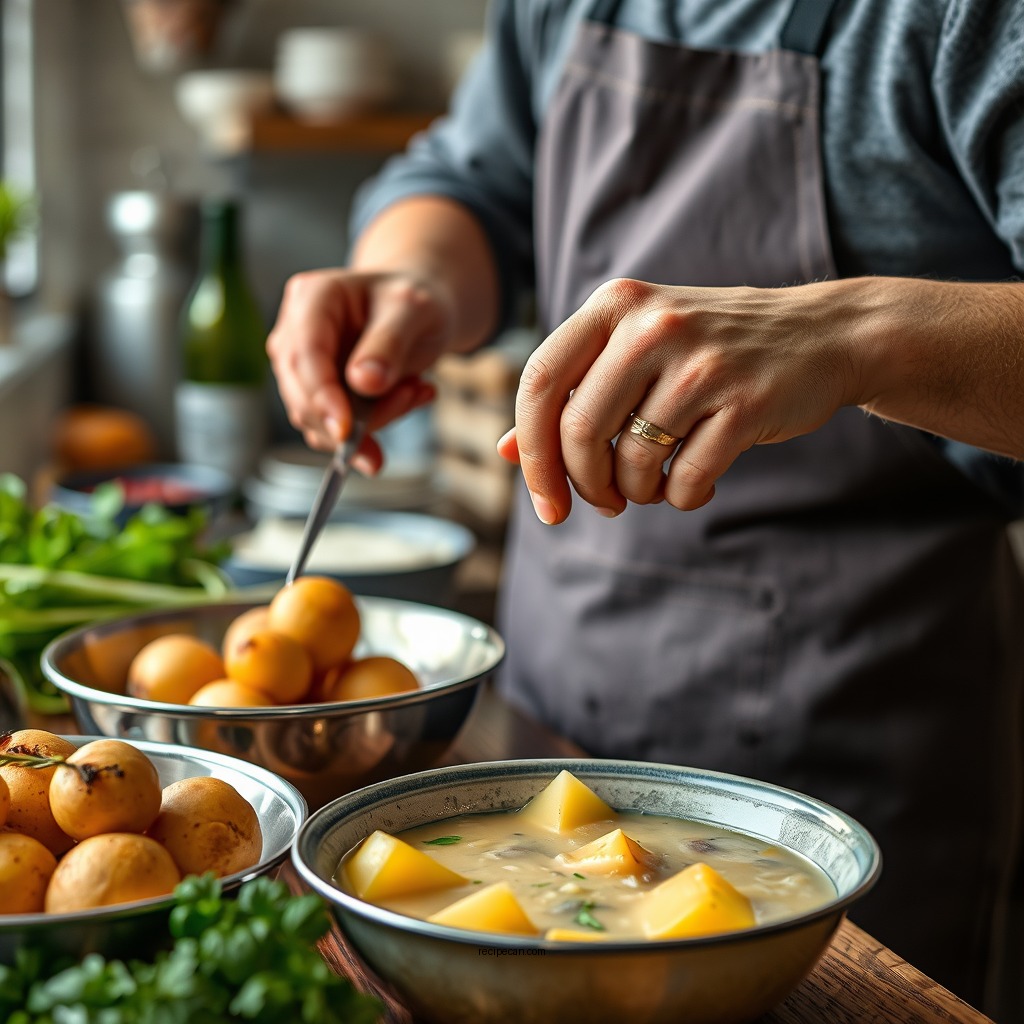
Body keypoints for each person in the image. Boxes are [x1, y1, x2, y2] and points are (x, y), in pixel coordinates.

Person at [266, 0, 1024, 1011]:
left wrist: (857, 333)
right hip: (549, 711)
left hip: (854, 748)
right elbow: (472, 179)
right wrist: (410, 279)